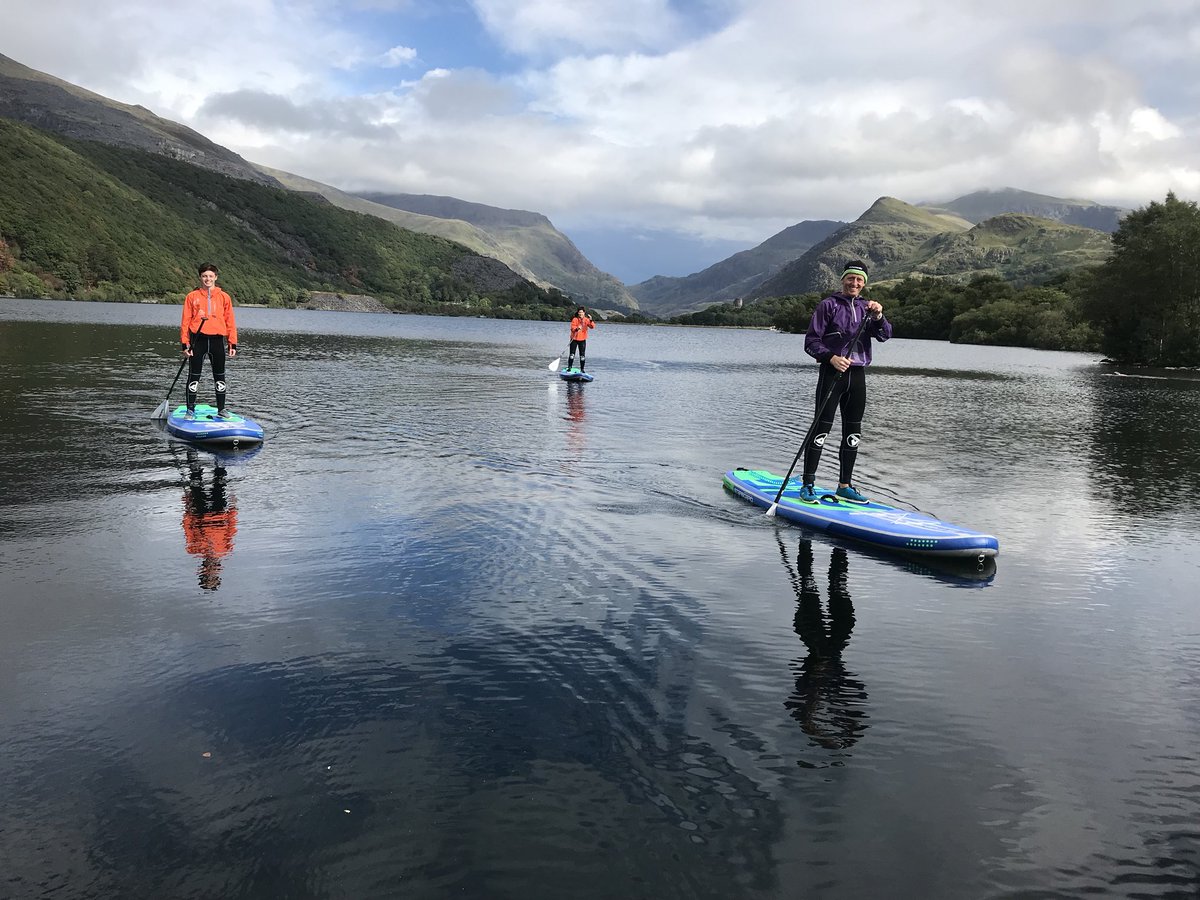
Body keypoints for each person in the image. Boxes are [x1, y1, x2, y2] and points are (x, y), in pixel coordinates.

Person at [799, 260, 891, 503]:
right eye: (851, 278)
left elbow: (885, 335)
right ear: (843, 279)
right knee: (821, 429)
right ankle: (808, 483)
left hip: (857, 376)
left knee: (853, 433)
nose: (855, 283)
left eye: (860, 280)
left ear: (864, 284)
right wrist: (831, 357)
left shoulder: (867, 309)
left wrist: (879, 316)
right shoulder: (828, 306)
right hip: (832, 374)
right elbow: (810, 342)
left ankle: (844, 485)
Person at [180, 263, 238, 419]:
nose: (207, 279)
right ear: (200, 277)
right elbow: (185, 321)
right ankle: (190, 410)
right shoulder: (192, 297)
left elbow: (230, 320)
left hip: (217, 341)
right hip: (197, 340)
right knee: (194, 375)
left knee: (220, 376)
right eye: (205, 276)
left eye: (210, 276)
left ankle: (221, 409)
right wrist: (185, 343)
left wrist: (232, 342)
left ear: (216, 278)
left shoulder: (224, 297)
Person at [566, 306, 595, 371]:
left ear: (584, 313)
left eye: (581, 312)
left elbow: (592, 326)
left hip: (582, 340)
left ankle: (582, 369)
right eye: (579, 312)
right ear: (578, 313)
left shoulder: (587, 320)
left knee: (582, 356)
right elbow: (572, 328)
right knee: (572, 355)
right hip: (574, 339)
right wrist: (577, 329)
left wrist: (591, 320)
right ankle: (569, 367)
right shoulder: (575, 319)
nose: (580, 314)